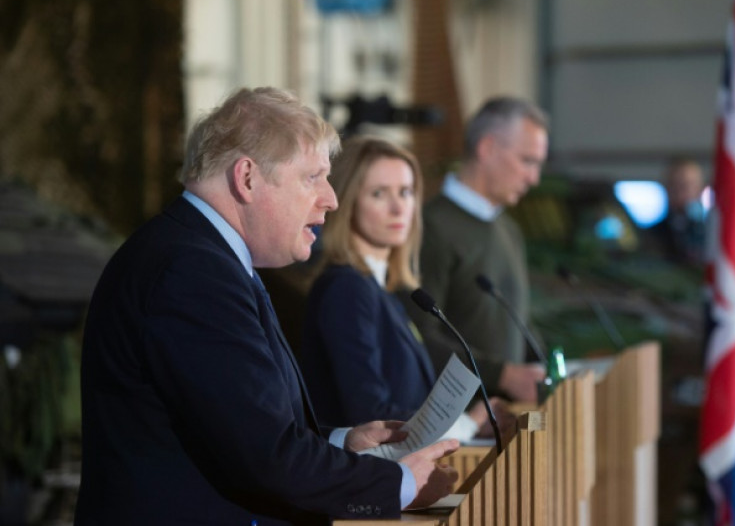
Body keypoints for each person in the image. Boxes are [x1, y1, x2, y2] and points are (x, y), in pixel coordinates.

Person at [75, 87, 459, 526]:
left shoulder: (206, 257)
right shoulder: (192, 271)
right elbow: (265, 456)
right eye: (312, 177)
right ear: (247, 178)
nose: (331, 198)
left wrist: (340, 444)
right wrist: (398, 484)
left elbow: (240, 429)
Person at [299, 135, 512, 438]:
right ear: (346, 201)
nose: (399, 208)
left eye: (406, 192)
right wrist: (468, 424)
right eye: (379, 193)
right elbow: (370, 414)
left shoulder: (379, 289)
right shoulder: (346, 289)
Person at [403, 97, 548, 403]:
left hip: (505, 416)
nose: (534, 178)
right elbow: (417, 337)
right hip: (455, 420)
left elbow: (516, 323)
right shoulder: (430, 227)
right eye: (527, 161)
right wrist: (503, 376)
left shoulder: (509, 230)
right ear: (488, 148)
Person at [646, 157, 707, 267]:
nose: (681, 190)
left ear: (700, 188)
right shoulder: (650, 236)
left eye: (688, 184)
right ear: (666, 188)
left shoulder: (711, 235)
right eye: (675, 184)